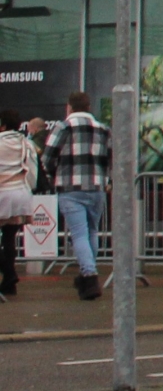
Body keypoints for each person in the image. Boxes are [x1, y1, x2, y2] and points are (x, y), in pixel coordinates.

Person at [44, 92, 111, 302]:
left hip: (70, 187)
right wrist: (105, 179)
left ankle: (90, 276)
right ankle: (86, 274)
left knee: (79, 234)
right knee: (92, 231)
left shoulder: (63, 127)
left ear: (69, 107)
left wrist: (54, 174)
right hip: (97, 187)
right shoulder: (103, 129)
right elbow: (111, 159)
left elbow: (47, 156)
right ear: (89, 106)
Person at [0, 117, 40, 300]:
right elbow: (32, 172)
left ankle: (9, 274)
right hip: (20, 194)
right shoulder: (27, 144)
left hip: (2, 193)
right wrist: (28, 190)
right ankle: (9, 281)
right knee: (9, 239)